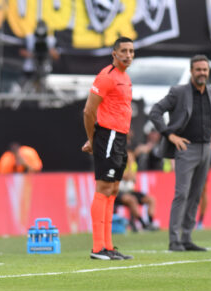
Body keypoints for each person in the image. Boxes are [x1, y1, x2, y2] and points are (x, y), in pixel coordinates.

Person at [149, 55, 211, 252]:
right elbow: (155, 111)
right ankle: (174, 240)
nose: (202, 73)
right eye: (198, 70)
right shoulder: (178, 92)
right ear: (191, 71)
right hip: (185, 149)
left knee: (196, 194)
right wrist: (170, 135)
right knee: (182, 193)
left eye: (205, 70)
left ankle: (187, 238)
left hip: (207, 148)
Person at [81, 37, 135, 260]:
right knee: (104, 188)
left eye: (131, 51)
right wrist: (92, 140)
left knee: (113, 191)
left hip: (119, 138)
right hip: (109, 136)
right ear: (114, 53)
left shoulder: (126, 77)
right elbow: (88, 111)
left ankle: (108, 246)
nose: (128, 55)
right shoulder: (106, 77)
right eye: (124, 51)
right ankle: (97, 248)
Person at [19, 20, 60, 92]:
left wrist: (47, 53)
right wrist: (34, 55)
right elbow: (21, 51)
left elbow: (56, 56)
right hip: (30, 69)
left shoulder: (51, 40)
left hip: (46, 68)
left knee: (46, 87)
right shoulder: (29, 38)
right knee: (24, 87)